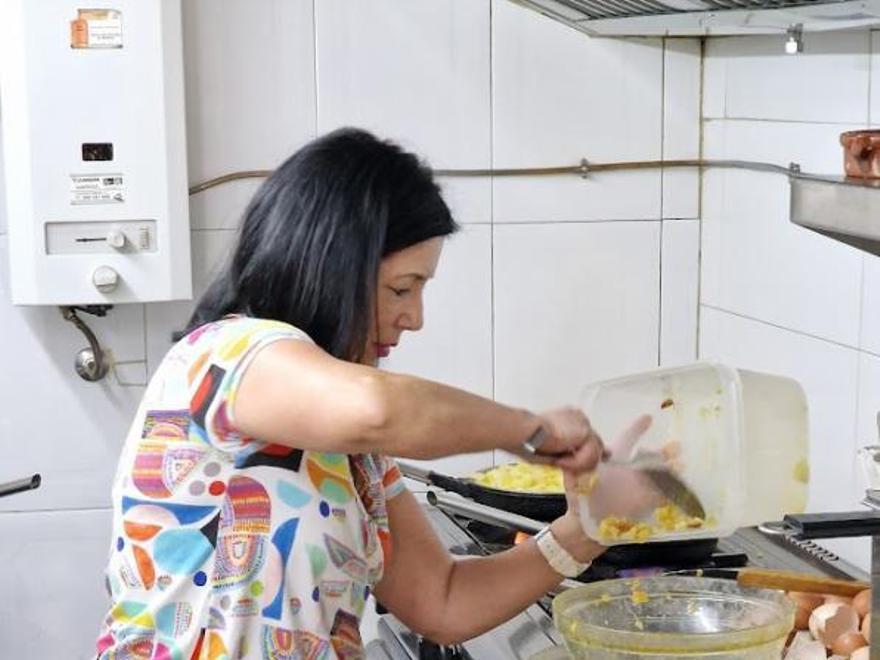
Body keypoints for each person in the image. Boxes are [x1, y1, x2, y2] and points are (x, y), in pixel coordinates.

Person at [96, 128, 606, 659]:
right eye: (401, 289)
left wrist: (585, 532)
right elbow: (378, 408)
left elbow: (443, 600)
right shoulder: (229, 354)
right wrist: (530, 431)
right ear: (333, 266)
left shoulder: (353, 450)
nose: (415, 317)